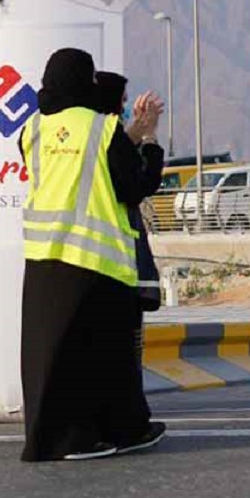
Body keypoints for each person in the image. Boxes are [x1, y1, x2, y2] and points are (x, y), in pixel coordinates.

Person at [18, 48, 164, 462]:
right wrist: (149, 139)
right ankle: (103, 434)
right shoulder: (102, 129)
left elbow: (73, 168)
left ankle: (50, 436)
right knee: (105, 356)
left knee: (48, 355)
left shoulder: (32, 129)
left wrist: (130, 134)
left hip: (44, 257)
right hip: (97, 260)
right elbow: (134, 186)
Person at [93, 70, 166, 334]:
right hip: (117, 269)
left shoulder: (96, 142)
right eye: (121, 102)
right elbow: (143, 182)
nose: (124, 109)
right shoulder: (104, 142)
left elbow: (120, 147)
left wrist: (139, 128)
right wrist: (149, 137)